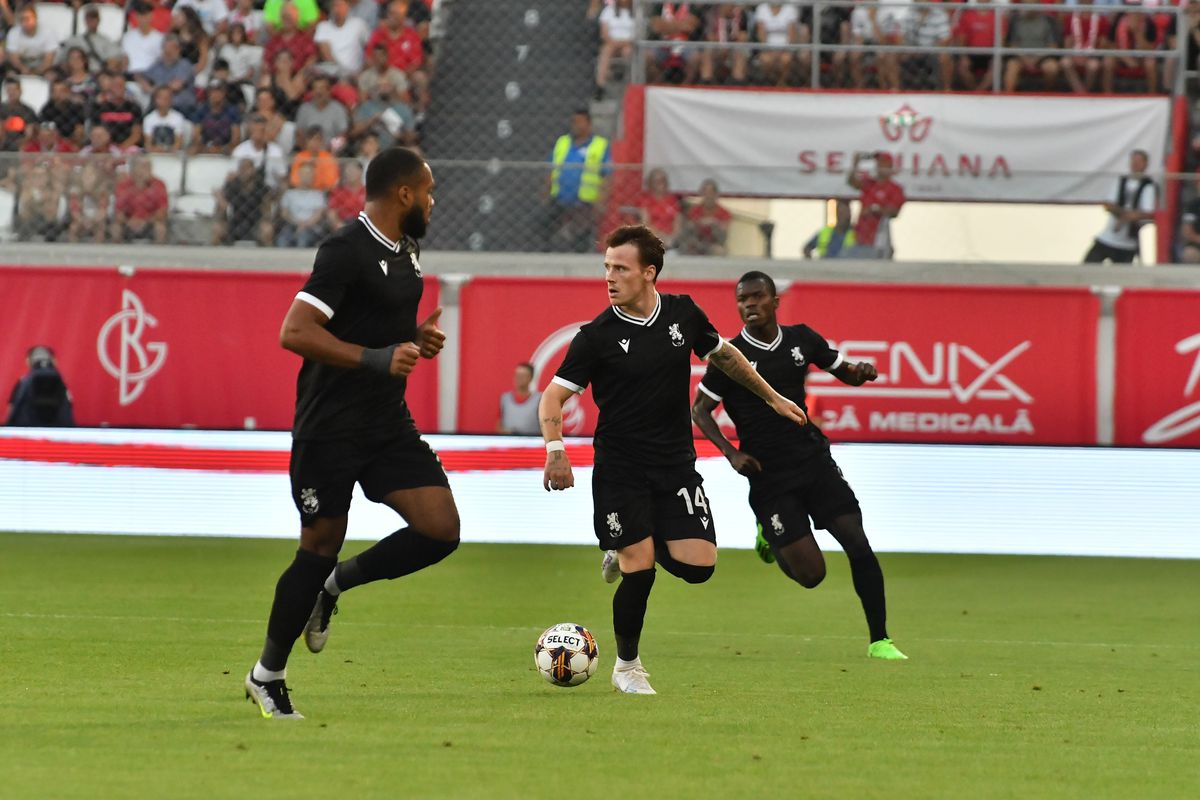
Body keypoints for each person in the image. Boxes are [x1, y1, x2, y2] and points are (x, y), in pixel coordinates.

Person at [538, 225, 808, 695]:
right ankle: (627, 667)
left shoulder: (683, 314)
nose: (610, 276)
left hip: (675, 465)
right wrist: (555, 450)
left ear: (649, 272)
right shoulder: (596, 336)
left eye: (620, 268)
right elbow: (551, 399)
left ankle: (625, 545)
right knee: (640, 568)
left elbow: (726, 357)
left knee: (699, 566)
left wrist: (771, 397)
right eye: (606, 267)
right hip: (620, 466)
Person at [244, 147, 458, 720]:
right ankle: (267, 675)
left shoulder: (408, 252)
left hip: (386, 422)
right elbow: (295, 331)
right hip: (330, 428)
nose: (434, 202)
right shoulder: (344, 250)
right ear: (404, 194)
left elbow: (380, 332)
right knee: (316, 545)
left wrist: (414, 339)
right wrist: (375, 358)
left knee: (440, 529)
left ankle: (334, 587)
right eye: (429, 191)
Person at [691, 272, 907, 661]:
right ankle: (769, 536)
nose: (749, 304)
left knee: (858, 543)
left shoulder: (802, 339)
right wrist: (731, 453)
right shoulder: (730, 355)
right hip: (768, 474)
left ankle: (880, 640)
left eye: (758, 297)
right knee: (812, 576)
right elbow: (700, 410)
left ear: (775, 302)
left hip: (812, 461)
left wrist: (862, 372)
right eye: (743, 299)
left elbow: (846, 372)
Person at [546, 108, 610, 253]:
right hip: (560, 198)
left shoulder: (599, 145)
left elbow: (607, 175)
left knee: (581, 236)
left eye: (580, 122)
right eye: (574, 121)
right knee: (548, 228)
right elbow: (550, 168)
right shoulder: (562, 142)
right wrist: (546, 191)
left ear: (589, 124)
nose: (576, 125)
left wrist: (601, 200)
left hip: (585, 201)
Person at [1084, 149, 1157, 264]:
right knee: (1087, 267)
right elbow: (1108, 204)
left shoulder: (1148, 186)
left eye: (1139, 162)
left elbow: (1146, 212)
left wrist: (1123, 216)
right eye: (1133, 161)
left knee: (1121, 276)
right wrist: (1125, 215)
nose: (1135, 165)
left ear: (1145, 164)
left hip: (1128, 243)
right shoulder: (1120, 180)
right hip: (1107, 238)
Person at [846, 151, 904, 259]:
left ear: (889, 166)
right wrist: (855, 165)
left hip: (879, 239)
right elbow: (851, 182)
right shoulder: (869, 184)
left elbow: (894, 211)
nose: (878, 166)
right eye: (878, 163)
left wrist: (875, 210)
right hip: (859, 236)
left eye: (882, 163)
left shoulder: (895, 189)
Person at [6, 345, 74, 427]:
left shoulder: (60, 383)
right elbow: (12, 409)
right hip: (29, 431)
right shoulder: (23, 383)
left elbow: (12, 411)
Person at [680, 178, 731, 255]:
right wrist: (699, 223)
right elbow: (688, 228)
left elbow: (723, 235)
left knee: (720, 251)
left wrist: (714, 223)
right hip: (697, 243)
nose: (708, 196)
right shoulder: (694, 210)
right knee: (685, 247)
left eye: (711, 192)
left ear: (716, 194)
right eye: (706, 193)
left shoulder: (724, 213)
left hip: (713, 244)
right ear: (702, 194)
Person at [497, 362, 541, 435]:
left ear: (531, 378)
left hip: (531, 443)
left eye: (523, 375)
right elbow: (498, 424)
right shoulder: (505, 399)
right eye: (517, 375)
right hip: (509, 442)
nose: (518, 378)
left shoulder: (540, 399)